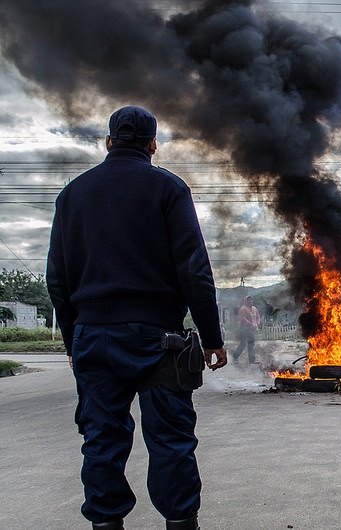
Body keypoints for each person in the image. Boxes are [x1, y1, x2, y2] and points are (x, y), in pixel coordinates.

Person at [46, 106, 226, 530]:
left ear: (109, 141)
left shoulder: (72, 194)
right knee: (171, 441)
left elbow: (58, 278)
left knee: (101, 442)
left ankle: (106, 525)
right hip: (158, 341)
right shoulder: (168, 188)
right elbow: (194, 270)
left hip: (93, 338)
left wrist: (74, 341)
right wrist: (212, 337)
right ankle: (181, 523)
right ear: (152, 144)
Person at [232, 295, 261, 364]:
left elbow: (258, 317)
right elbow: (243, 318)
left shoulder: (254, 309)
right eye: (248, 300)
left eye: (251, 300)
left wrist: (257, 323)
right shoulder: (243, 309)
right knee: (243, 343)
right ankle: (235, 357)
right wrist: (251, 324)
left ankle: (252, 360)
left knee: (251, 344)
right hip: (244, 328)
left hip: (252, 329)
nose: (250, 301)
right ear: (245, 301)